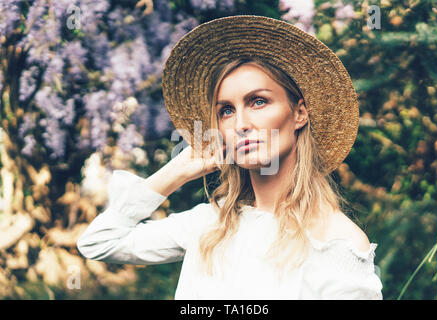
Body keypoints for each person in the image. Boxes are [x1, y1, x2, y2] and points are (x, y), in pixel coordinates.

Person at [77, 15, 383, 299]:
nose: (240, 124)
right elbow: (100, 242)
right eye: (226, 110)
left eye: (258, 101)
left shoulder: (337, 243)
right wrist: (177, 171)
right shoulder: (211, 223)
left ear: (299, 113)